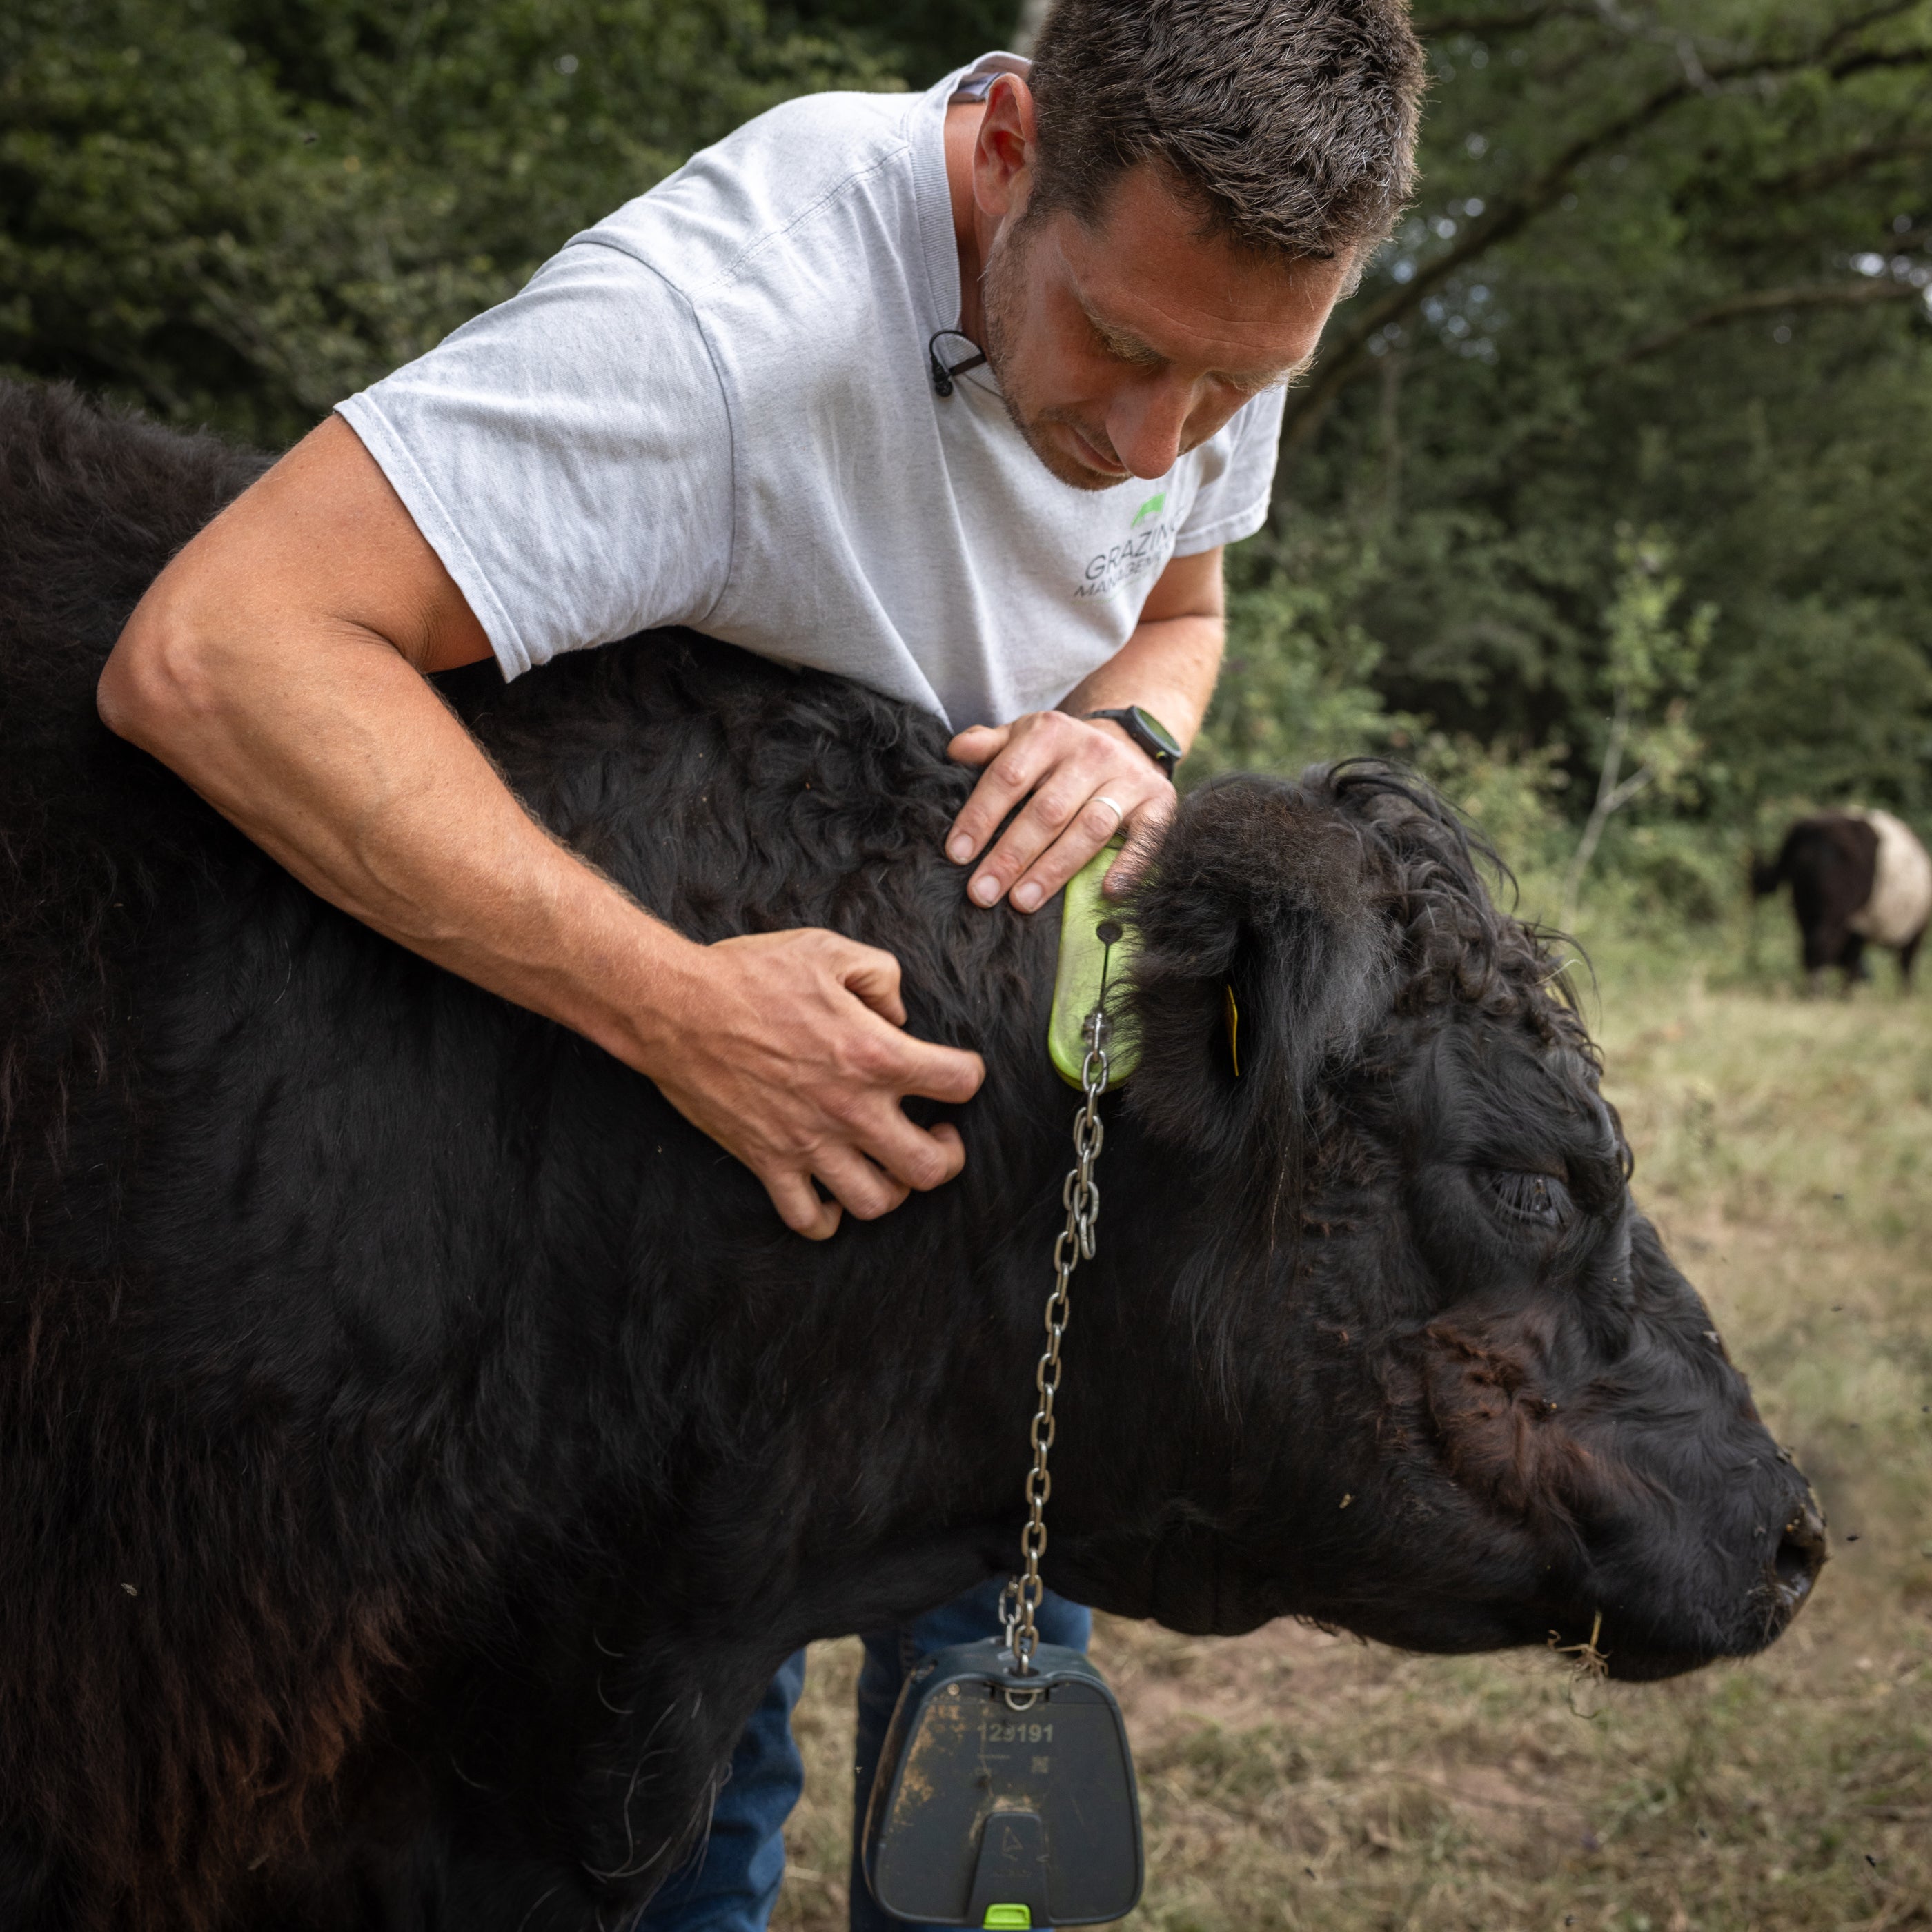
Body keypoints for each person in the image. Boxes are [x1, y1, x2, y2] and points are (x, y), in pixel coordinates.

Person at [97, 0, 1423, 1923]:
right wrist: (674, 1007)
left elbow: (1184, 595)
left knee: (989, 1649)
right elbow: (219, 648)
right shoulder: (721, 337)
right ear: (1003, 148)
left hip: (1010, 1110)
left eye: (1231, 388)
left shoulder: (1215, 283)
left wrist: (1132, 726)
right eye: (1125, 350)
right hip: (712, 1115)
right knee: (705, 1721)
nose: (1158, 441)